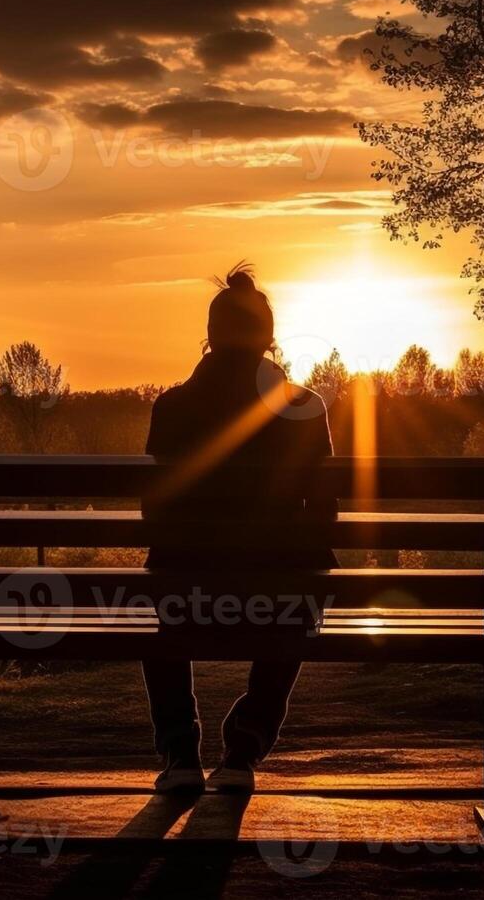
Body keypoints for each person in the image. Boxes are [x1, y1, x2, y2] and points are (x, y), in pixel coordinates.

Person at [140, 262, 337, 793]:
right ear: (270, 338)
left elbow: (154, 508)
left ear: (209, 335)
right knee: (304, 599)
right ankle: (244, 749)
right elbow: (325, 509)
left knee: (157, 603)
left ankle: (180, 754)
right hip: (278, 591)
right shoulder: (305, 407)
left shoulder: (172, 406)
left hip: (187, 589)